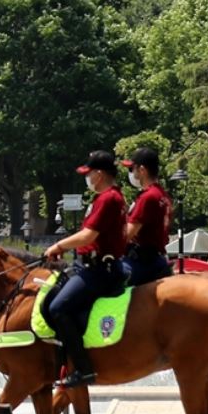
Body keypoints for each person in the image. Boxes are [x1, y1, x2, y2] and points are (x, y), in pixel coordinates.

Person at [43, 148, 127, 389]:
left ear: (99, 174)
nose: (87, 178)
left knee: (59, 308)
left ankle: (84, 369)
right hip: (93, 265)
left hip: (100, 270)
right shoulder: (112, 197)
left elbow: (89, 235)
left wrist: (57, 245)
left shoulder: (108, 198)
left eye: (89, 173)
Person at [120, 147, 174, 287]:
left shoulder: (148, 197)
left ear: (142, 170)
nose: (130, 173)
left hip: (141, 263)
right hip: (157, 258)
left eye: (132, 169)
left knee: (105, 283)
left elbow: (127, 234)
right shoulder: (163, 195)